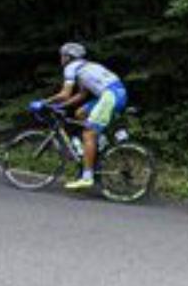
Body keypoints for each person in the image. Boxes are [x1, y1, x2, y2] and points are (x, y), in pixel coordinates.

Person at [34, 42, 126, 192]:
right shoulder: (85, 66)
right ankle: (96, 146)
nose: (61, 59)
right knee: (80, 113)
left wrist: (44, 102)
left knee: (88, 133)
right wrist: (61, 106)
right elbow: (81, 95)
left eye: (62, 56)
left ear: (69, 57)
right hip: (115, 94)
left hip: (110, 96)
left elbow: (65, 94)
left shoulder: (71, 68)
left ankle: (87, 176)